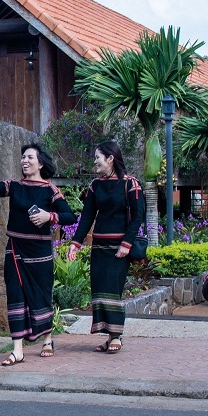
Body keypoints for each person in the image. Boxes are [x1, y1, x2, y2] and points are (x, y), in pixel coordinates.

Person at [0, 143, 76, 366]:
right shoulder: (14, 185)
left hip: (39, 254)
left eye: (30, 157)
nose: (24, 161)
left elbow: (69, 216)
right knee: (15, 296)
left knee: (41, 296)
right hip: (15, 250)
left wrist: (48, 217)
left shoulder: (50, 190)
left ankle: (48, 339)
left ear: (40, 163)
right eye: (23, 157)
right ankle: (17, 350)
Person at [67, 141, 143, 354]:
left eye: (98, 157)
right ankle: (110, 337)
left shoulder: (131, 184)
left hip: (119, 249)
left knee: (113, 291)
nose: (95, 161)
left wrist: (126, 245)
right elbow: (87, 217)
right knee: (100, 291)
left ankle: (117, 335)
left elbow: (138, 217)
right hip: (99, 248)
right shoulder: (95, 185)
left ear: (110, 158)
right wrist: (76, 243)